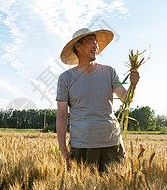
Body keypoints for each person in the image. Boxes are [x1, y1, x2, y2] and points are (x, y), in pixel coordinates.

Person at [56, 28, 140, 171]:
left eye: (96, 43)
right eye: (91, 42)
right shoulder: (66, 78)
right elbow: (62, 115)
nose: (96, 46)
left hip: (112, 145)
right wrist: (63, 149)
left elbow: (126, 99)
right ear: (78, 46)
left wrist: (133, 85)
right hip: (82, 147)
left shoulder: (109, 71)